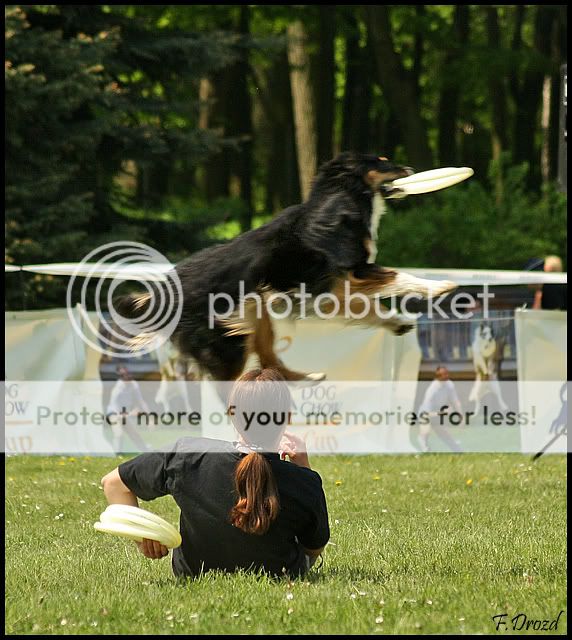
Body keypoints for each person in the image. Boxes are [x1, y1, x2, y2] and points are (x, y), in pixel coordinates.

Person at [100, 368, 330, 579]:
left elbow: (113, 484)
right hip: (281, 576)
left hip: (193, 575)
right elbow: (313, 548)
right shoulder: (304, 480)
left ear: (232, 413)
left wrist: (143, 537)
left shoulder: (187, 455)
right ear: (287, 417)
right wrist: (304, 471)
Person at [106, 365, 151, 453]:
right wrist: (131, 413)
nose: (127, 376)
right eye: (123, 374)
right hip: (114, 413)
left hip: (124, 413)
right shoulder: (117, 389)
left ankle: (145, 451)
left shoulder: (134, 384)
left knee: (134, 434)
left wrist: (149, 417)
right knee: (119, 434)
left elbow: (141, 401)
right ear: (120, 376)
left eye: (127, 373)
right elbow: (117, 413)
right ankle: (117, 454)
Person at [418, 366, 463, 453]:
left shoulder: (449, 384)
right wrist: (443, 413)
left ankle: (458, 451)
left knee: (444, 434)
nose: (447, 376)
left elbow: (456, 401)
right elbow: (427, 413)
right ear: (438, 376)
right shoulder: (432, 390)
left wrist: (461, 416)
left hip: (438, 412)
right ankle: (424, 447)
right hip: (426, 413)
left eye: (447, 373)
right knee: (426, 431)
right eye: (444, 374)